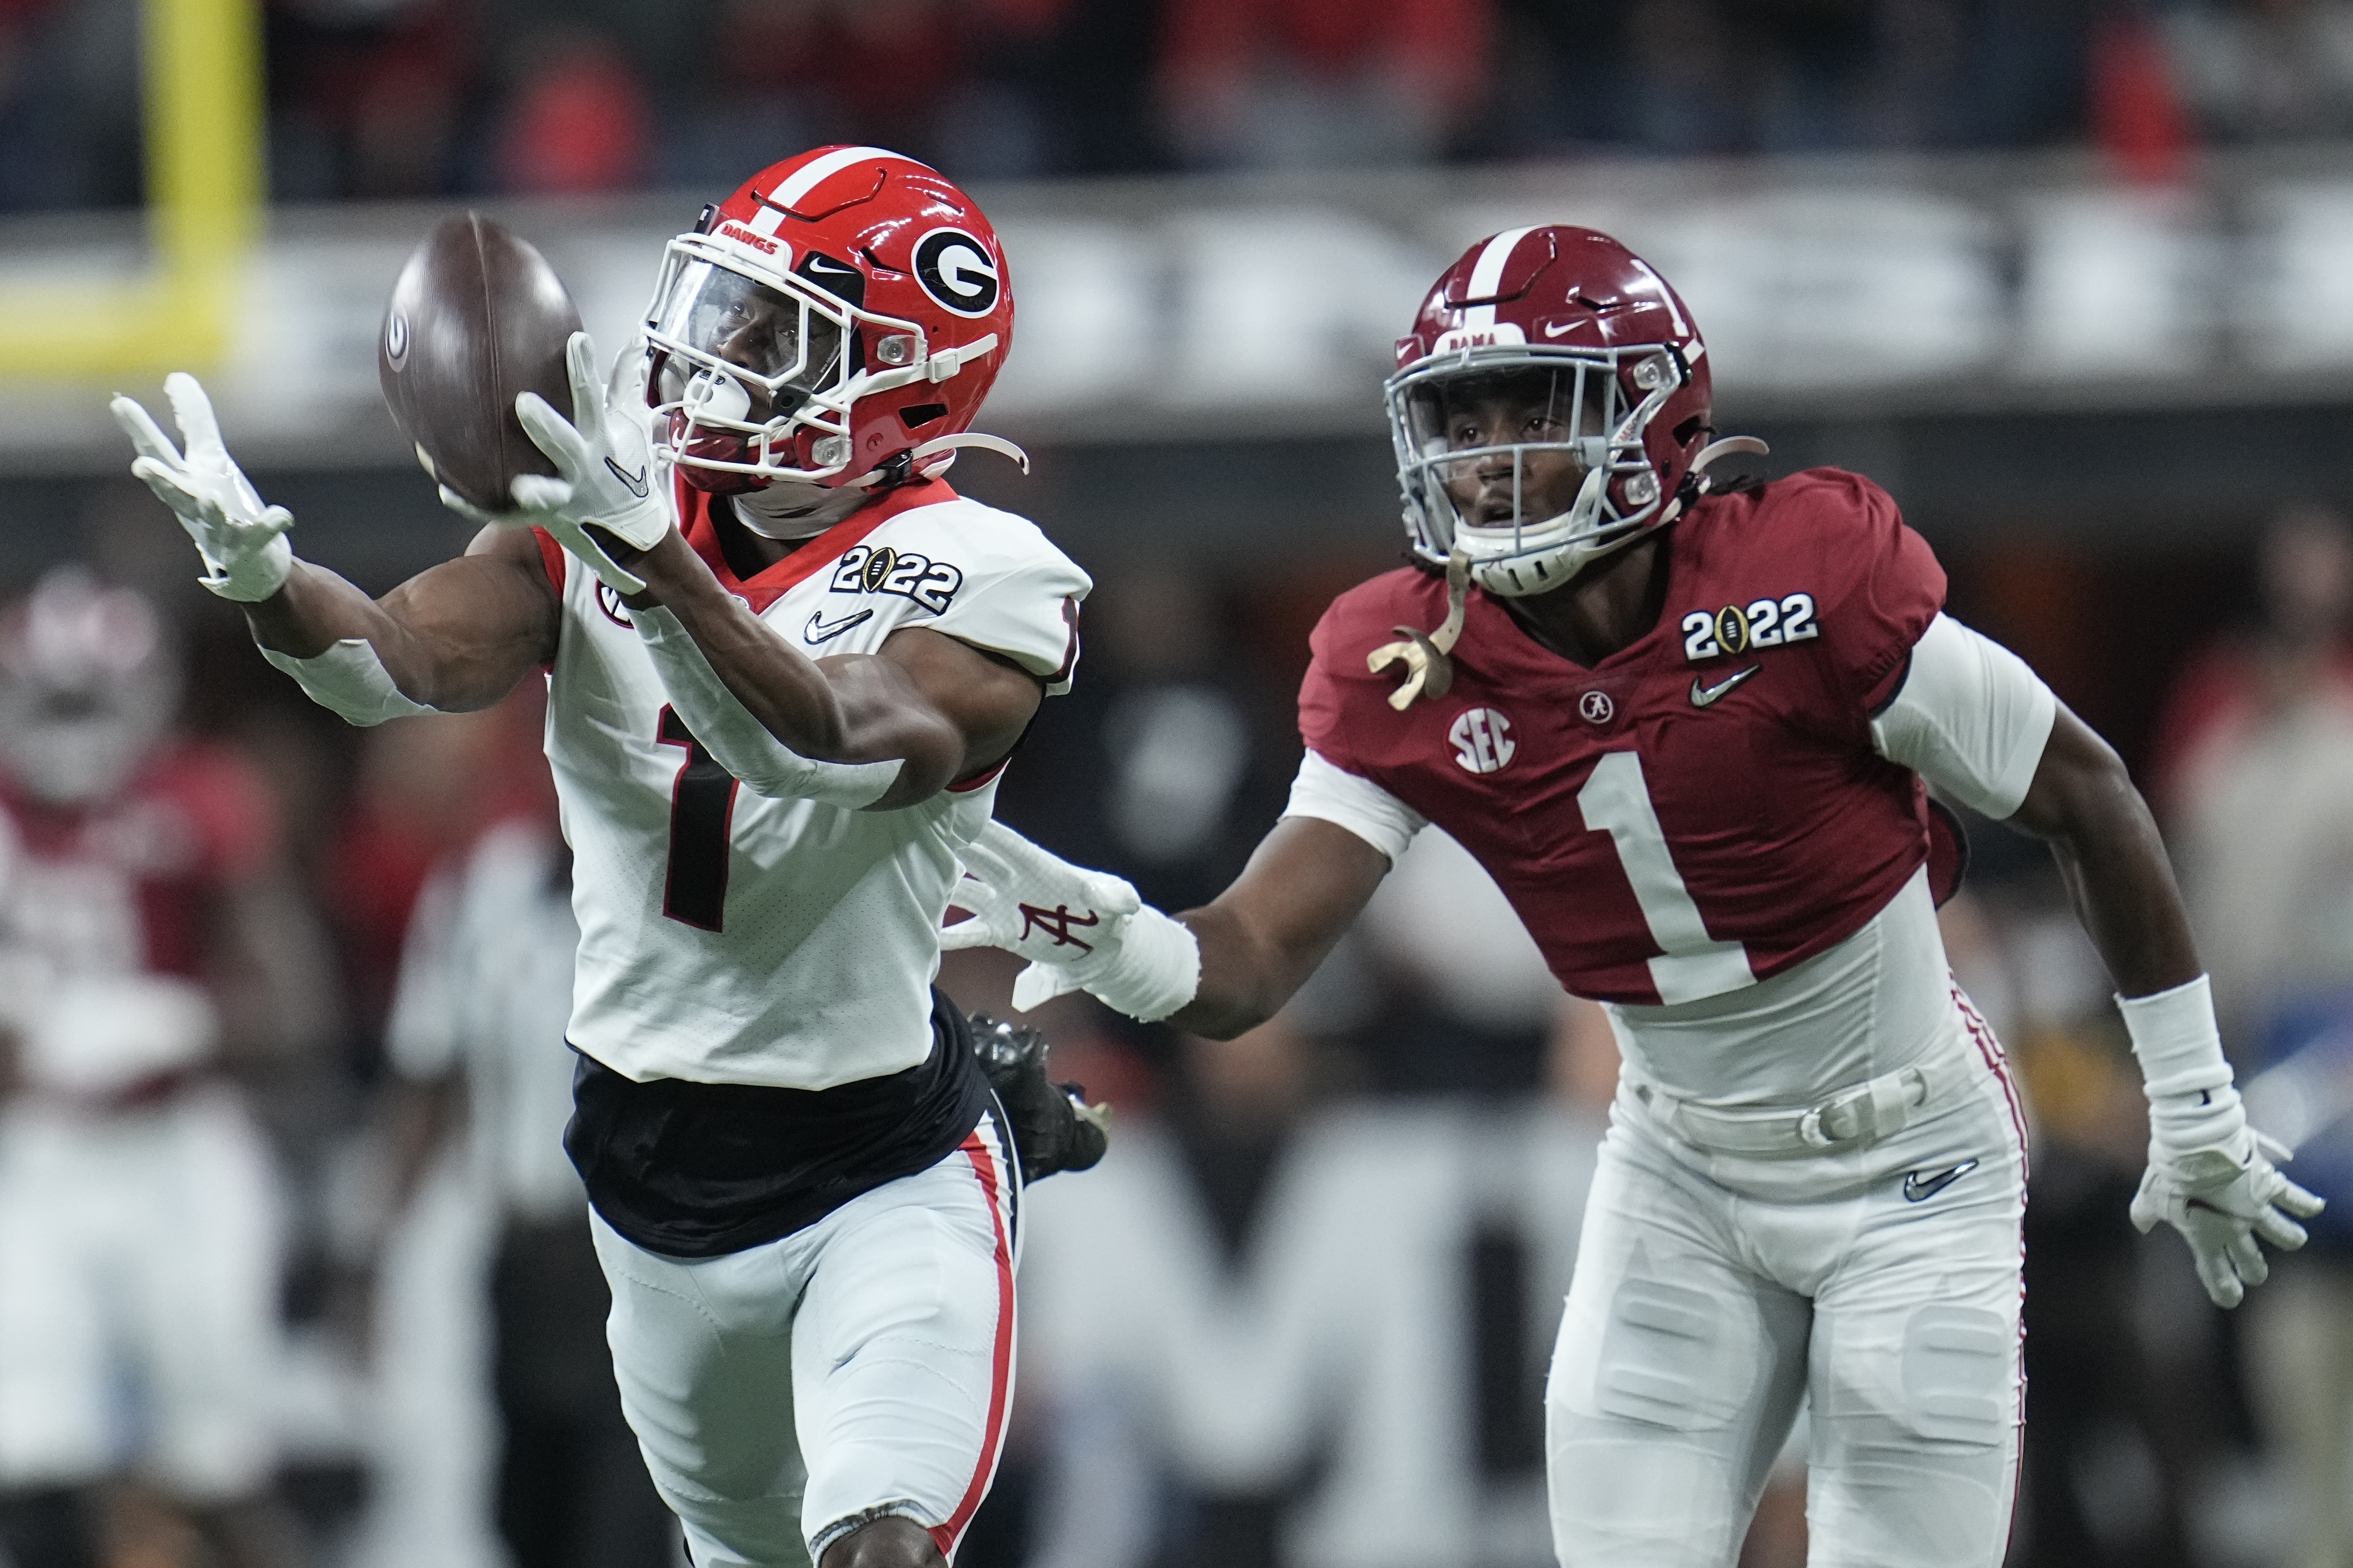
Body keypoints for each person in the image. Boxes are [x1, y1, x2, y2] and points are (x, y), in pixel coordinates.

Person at [939, 224, 2324, 1567]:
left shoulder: (1804, 578)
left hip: (1910, 1158)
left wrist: (2191, 1099)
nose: (1484, 463)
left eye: (1526, 408)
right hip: (1679, 1167)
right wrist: (1111, 933)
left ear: (1653, 415)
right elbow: (1246, 960)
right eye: (1457, 421)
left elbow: (2080, 790)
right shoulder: (1405, 653)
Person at [111, 144, 1100, 1568]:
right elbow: (393, 663)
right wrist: (271, 586)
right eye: (722, 311)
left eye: (775, 335)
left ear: (900, 384)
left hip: (881, 1147)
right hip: (649, 1158)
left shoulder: (992, 571)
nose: (717, 361)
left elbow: (822, 739)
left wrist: (649, 553)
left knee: (879, 1541)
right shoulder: (617, 491)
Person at [0, 568, 307, 1568]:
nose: (72, 728)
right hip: (35, 1154)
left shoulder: (199, 797)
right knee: (34, 1456)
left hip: (179, 1147)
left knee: (215, 1458)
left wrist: (184, 1021)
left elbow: (299, 1001)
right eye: (54, 702)